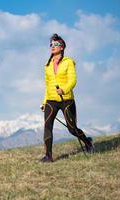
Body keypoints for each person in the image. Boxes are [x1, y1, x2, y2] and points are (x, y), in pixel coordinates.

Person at [40, 33, 94, 162]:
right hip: (51, 100)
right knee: (47, 126)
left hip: (66, 100)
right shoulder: (47, 65)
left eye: (56, 44)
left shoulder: (68, 62)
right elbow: (47, 86)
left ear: (62, 47)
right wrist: (44, 102)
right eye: (51, 45)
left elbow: (73, 80)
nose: (53, 46)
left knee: (72, 128)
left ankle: (88, 143)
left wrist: (63, 90)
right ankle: (48, 156)